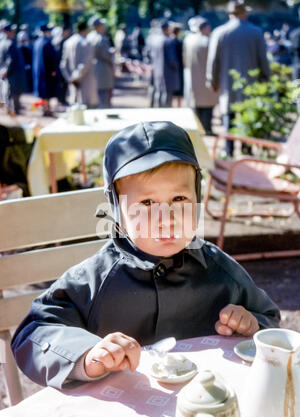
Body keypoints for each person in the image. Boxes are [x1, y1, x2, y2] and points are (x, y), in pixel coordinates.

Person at [11, 121, 280, 388]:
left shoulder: (221, 271)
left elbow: (269, 320)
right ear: (117, 211)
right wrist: (86, 355)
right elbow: (32, 334)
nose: (166, 219)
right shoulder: (94, 280)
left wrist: (252, 325)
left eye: (179, 199)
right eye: (147, 203)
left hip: (205, 412)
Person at [206, 0, 270, 155]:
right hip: (251, 84)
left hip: (227, 84)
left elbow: (213, 61)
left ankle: (228, 151)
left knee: (228, 116)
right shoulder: (256, 32)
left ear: (229, 14)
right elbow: (263, 60)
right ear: (244, 13)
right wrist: (265, 81)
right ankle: (246, 150)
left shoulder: (219, 32)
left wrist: (212, 81)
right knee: (248, 117)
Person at [183, 18, 218, 135]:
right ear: (205, 28)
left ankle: (197, 128)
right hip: (206, 77)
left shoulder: (188, 40)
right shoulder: (208, 41)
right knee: (208, 105)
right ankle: (207, 128)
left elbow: (184, 59)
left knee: (195, 104)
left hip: (192, 77)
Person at [60, 20, 98, 108]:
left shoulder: (68, 42)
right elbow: (85, 63)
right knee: (86, 108)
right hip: (84, 81)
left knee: (74, 108)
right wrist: (76, 77)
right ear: (85, 30)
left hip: (72, 80)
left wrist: (69, 78)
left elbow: (63, 64)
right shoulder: (86, 42)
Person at [150, 21, 180, 107]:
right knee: (167, 95)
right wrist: (177, 67)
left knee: (158, 92)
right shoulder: (169, 41)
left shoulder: (155, 40)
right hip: (168, 72)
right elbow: (172, 60)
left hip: (157, 71)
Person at [32, 24, 59, 116]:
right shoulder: (47, 43)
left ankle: (44, 108)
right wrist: (53, 70)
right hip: (47, 72)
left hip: (38, 72)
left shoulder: (37, 42)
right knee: (47, 92)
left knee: (42, 92)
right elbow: (50, 58)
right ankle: (47, 109)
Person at [88, 17, 115, 108]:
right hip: (103, 69)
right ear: (98, 27)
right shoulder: (102, 39)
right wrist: (112, 52)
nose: (104, 27)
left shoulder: (89, 36)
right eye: (102, 25)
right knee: (104, 96)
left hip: (92, 68)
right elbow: (106, 55)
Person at [0, 24, 26, 115]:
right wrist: (6, 70)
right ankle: (14, 109)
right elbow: (10, 59)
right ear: (7, 32)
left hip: (6, 71)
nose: (13, 33)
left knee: (8, 91)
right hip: (12, 72)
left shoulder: (3, 42)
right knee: (13, 92)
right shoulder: (10, 43)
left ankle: (9, 108)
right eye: (12, 31)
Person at [171, 24, 184, 107]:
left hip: (171, 69)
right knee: (179, 90)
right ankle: (178, 107)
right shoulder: (179, 42)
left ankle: (173, 106)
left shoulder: (169, 41)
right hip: (179, 68)